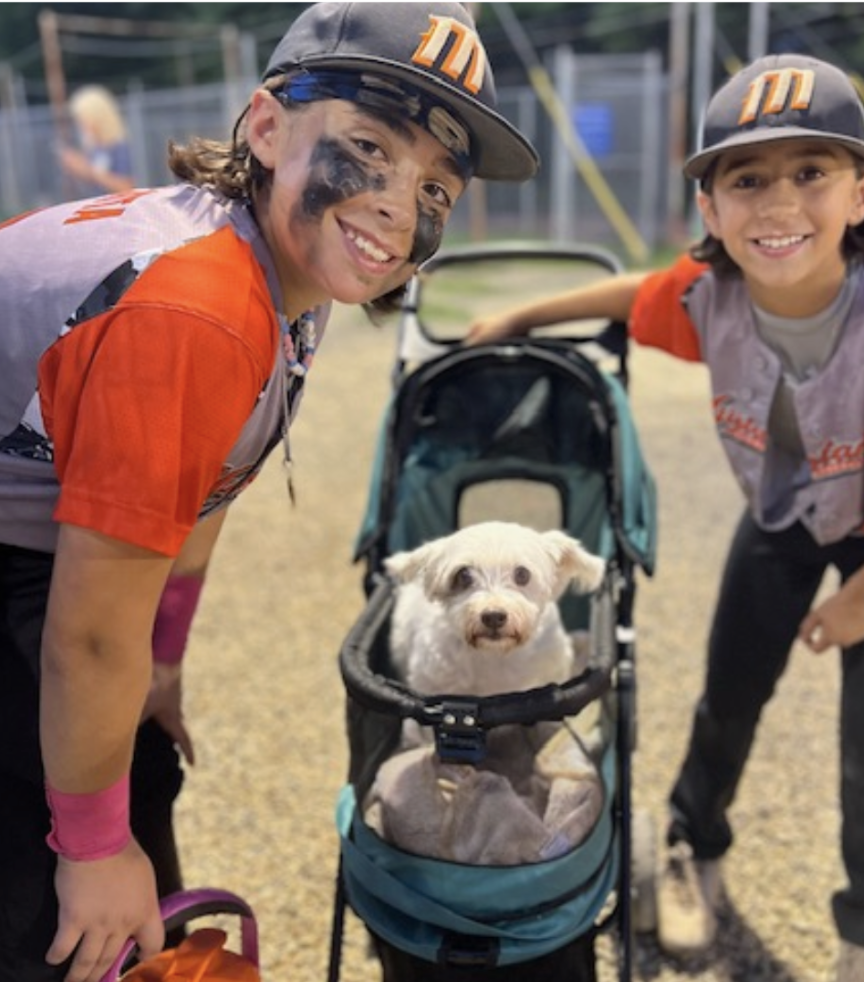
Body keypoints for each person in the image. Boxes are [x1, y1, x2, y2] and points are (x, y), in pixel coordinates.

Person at [0, 3, 537, 981]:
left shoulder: (290, 264)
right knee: (46, 906)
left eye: (435, 189)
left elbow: (206, 494)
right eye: (368, 147)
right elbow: (84, 632)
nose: (395, 203)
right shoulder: (201, 307)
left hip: (29, 539)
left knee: (138, 761)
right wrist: (88, 850)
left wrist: (160, 667)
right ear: (263, 126)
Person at [467, 53, 864, 982]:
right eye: (747, 179)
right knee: (728, 698)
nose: (778, 203)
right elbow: (633, 295)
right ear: (711, 210)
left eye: (810, 173)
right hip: (782, 518)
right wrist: (517, 317)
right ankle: (688, 844)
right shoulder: (709, 297)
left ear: (863, 193)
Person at [57, 84, 137, 197]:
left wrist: (88, 170)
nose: (80, 125)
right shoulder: (94, 148)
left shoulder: (120, 147)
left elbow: (126, 187)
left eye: (83, 118)